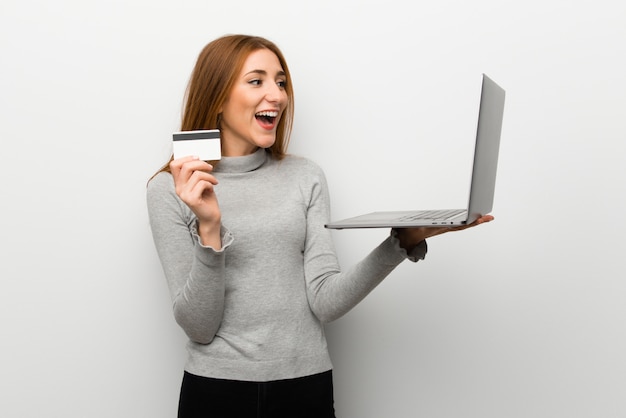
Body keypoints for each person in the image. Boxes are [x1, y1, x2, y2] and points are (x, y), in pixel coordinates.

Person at [146, 34, 493, 418]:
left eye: (280, 82)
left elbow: (324, 302)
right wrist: (209, 225)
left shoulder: (305, 176)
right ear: (217, 97)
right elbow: (199, 327)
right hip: (215, 392)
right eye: (256, 80)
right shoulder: (170, 189)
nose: (277, 95)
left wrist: (400, 242)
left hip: (305, 387)